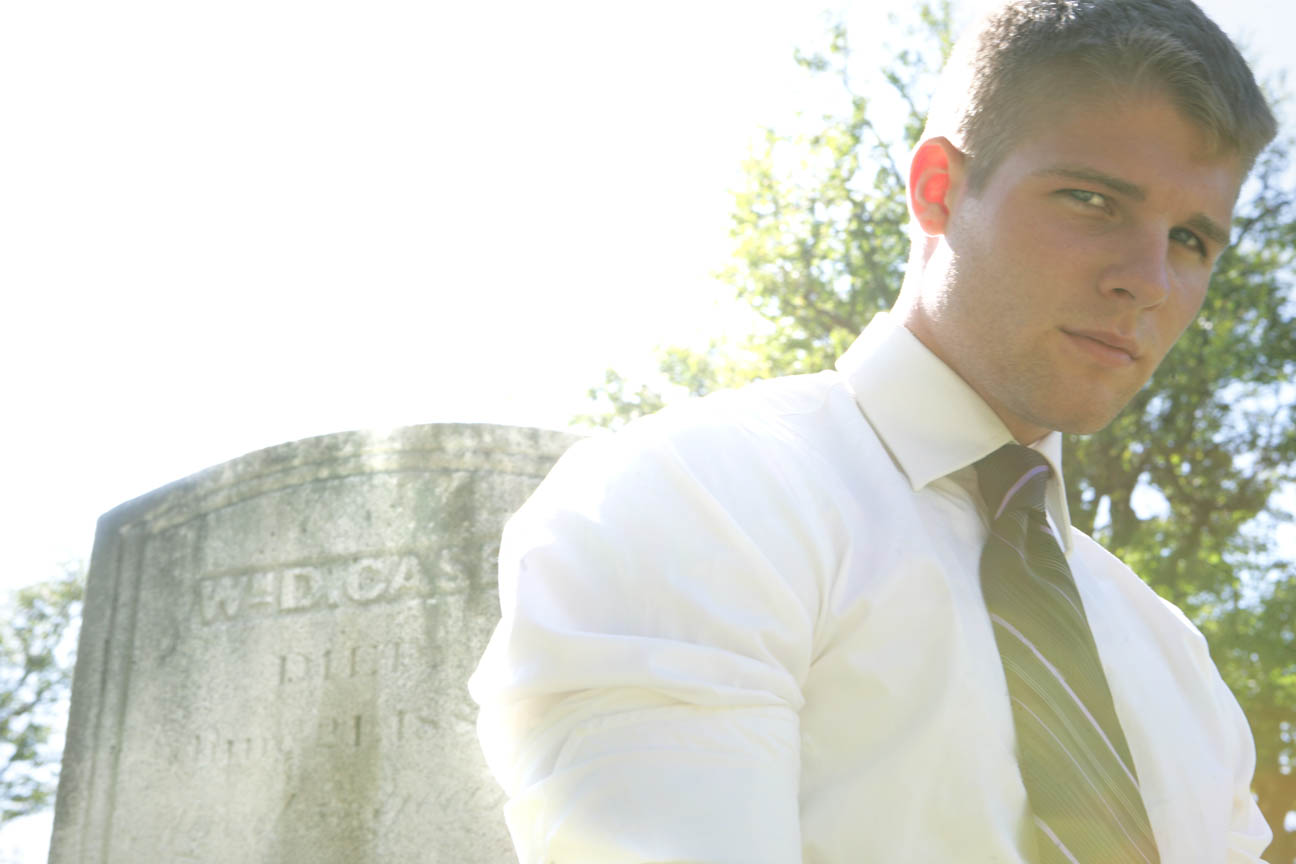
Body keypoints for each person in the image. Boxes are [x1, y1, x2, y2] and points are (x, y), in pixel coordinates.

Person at [469, 0, 1279, 861]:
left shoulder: (1180, 666)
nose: (1149, 281)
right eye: (1092, 201)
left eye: (1191, 240)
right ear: (938, 189)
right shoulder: (696, 497)